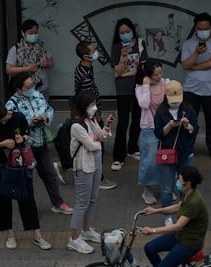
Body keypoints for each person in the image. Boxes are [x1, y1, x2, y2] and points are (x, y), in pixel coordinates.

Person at [0, 101, 51, 250]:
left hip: (19, 164)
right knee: (2, 199)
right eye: (1, 122)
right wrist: (2, 144)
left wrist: (22, 139)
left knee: (27, 198)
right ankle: (10, 234)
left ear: (7, 112)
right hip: (0, 165)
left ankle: (37, 235)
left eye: (5, 119)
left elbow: (26, 135)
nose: (4, 123)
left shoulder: (18, 117)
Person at [5, 72, 73, 215]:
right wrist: (30, 122)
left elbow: (49, 109)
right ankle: (30, 207)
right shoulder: (12, 104)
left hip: (41, 142)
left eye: (32, 84)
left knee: (49, 174)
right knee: (27, 178)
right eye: (27, 86)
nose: (31, 88)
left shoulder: (37, 95)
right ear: (19, 88)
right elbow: (10, 126)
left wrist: (45, 117)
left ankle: (58, 203)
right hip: (25, 147)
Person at [67, 91, 114, 254]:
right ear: (83, 106)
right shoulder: (76, 126)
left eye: (94, 104)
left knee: (92, 199)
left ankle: (86, 230)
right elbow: (92, 145)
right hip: (83, 166)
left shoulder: (92, 120)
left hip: (95, 164)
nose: (94, 108)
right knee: (82, 202)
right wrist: (97, 140)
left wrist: (106, 125)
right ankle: (74, 239)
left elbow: (102, 136)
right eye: (90, 105)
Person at [142, 166, 208, 267]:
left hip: (189, 243)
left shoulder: (194, 202)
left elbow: (177, 226)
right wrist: (155, 211)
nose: (177, 181)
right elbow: (178, 207)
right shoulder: (188, 193)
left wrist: (152, 230)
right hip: (181, 235)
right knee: (149, 248)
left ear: (188, 184)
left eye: (179, 179)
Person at [71, 40, 116, 190]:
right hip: (91, 115)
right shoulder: (84, 73)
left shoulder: (87, 67)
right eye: (93, 51)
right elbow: (88, 97)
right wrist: (96, 115)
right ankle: (99, 177)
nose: (96, 52)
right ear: (86, 56)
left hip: (91, 113)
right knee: (98, 145)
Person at [180, 12, 211, 163]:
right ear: (195, 28)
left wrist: (193, 66)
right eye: (200, 28)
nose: (203, 31)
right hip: (191, 89)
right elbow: (185, 65)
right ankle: (187, 147)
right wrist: (196, 54)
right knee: (189, 120)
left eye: (206, 28)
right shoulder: (188, 44)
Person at [154, 80, 198, 225]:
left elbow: (194, 130)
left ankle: (185, 213)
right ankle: (167, 217)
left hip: (185, 153)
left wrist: (187, 126)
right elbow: (159, 133)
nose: (175, 104)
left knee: (185, 187)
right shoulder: (161, 112)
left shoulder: (188, 109)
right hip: (167, 153)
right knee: (167, 188)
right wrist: (168, 126)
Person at [110, 17, 148, 171]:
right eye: (122, 32)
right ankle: (118, 157)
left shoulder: (140, 43)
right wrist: (123, 58)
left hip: (138, 86)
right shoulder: (117, 47)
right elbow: (117, 72)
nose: (125, 34)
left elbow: (144, 66)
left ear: (133, 30)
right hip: (123, 89)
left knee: (138, 118)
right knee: (123, 121)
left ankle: (132, 148)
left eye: (127, 31)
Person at [135, 59, 169, 205]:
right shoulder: (141, 87)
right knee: (149, 161)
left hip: (166, 126)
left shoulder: (166, 83)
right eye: (156, 74)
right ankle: (147, 190)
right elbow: (144, 104)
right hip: (149, 127)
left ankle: (166, 187)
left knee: (167, 158)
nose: (159, 76)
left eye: (160, 72)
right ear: (148, 75)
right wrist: (147, 85)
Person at [6, 19, 53, 99]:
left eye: (36, 33)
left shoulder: (41, 47)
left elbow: (50, 59)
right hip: (24, 90)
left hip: (42, 88)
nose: (34, 35)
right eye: (30, 33)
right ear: (23, 33)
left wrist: (48, 63)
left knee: (43, 110)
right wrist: (27, 68)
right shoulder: (16, 49)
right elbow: (9, 70)